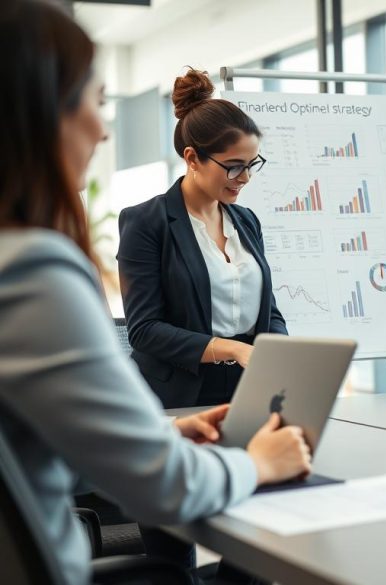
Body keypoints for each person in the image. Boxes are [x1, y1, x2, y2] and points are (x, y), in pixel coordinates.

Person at [0, 2, 311, 583]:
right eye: (94, 101)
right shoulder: (34, 272)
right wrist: (255, 465)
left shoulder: (245, 223)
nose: (104, 127)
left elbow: (31, 439)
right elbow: (163, 485)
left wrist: (162, 432)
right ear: (40, 115)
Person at [117, 68, 287, 409]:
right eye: (234, 166)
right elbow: (145, 330)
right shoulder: (146, 222)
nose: (246, 178)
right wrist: (233, 349)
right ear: (192, 158)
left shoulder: (246, 221)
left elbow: (268, 310)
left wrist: (281, 355)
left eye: (252, 164)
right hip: (176, 395)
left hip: (248, 389)